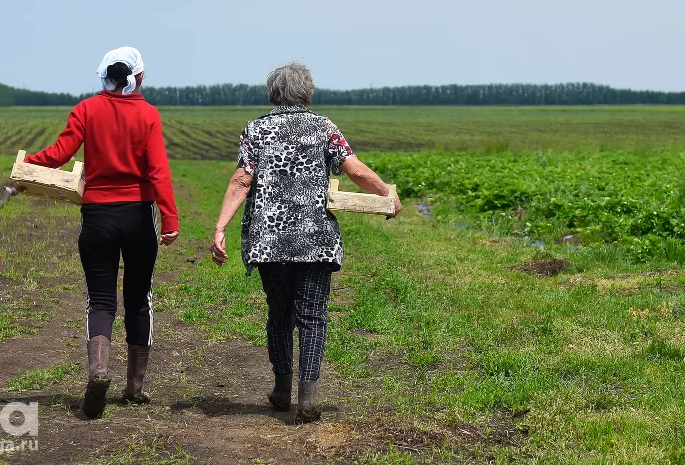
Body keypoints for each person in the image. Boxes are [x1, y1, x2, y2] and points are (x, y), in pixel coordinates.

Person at [210, 62, 402, 423]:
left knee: (280, 316)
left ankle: (282, 389)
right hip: (316, 244)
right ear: (307, 92)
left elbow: (240, 181)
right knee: (313, 318)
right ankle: (307, 399)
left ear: (273, 93)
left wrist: (220, 228)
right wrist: (387, 195)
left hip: (270, 244)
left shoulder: (257, 129)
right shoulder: (324, 127)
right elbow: (355, 169)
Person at [23, 47, 179, 419]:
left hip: (97, 218)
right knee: (139, 299)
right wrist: (170, 221)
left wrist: (25, 164)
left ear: (104, 77)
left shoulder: (86, 110)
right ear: (138, 77)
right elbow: (158, 171)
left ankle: (98, 370)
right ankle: (134, 388)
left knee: (100, 299)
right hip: (139, 217)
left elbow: (60, 154)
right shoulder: (148, 115)